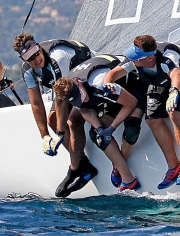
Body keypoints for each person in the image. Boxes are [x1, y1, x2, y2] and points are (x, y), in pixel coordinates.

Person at [103, 35, 180, 189]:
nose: (133, 61)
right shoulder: (137, 59)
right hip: (159, 82)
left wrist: (174, 92)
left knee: (175, 113)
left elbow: (176, 75)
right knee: (152, 119)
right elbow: (113, 73)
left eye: (136, 58)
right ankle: (173, 166)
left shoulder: (168, 56)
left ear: (150, 58)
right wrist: (108, 84)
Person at [12, 33, 96, 198]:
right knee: (52, 119)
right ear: (24, 60)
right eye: (30, 58)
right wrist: (44, 136)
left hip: (90, 76)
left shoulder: (58, 57)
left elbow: (63, 99)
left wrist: (59, 134)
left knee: (72, 119)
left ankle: (74, 169)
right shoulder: (28, 71)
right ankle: (83, 164)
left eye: (37, 53)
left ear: (39, 47)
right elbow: (36, 103)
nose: (36, 59)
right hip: (68, 86)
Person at [52, 57, 143, 192]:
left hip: (131, 85)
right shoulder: (71, 91)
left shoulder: (99, 82)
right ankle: (128, 179)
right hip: (107, 96)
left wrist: (112, 128)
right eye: (76, 100)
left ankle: (119, 165)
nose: (80, 100)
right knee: (97, 135)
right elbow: (85, 110)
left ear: (78, 83)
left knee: (131, 131)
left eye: (79, 95)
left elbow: (130, 103)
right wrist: (100, 129)